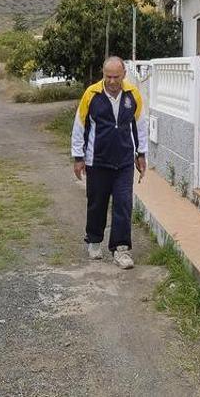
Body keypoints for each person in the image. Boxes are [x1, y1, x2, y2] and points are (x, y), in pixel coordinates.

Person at [72, 56, 147, 269]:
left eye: (116, 76)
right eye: (108, 76)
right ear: (103, 75)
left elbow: (140, 127)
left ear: (124, 75)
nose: (112, 81)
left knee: (123, 204)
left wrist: (141, 155)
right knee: (97, 203)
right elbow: (79, 126)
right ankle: (94, 241)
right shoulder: (92, 94)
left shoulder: (132, 95)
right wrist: (78, 158)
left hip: (123, 161)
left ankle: (121, 249)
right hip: (97, 161)